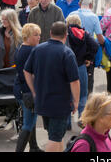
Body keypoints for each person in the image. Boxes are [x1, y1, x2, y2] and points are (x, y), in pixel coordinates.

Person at [24, 22, 80, 152]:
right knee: (55, 138)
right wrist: (76, 101)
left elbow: (26, 71)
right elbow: (74, 81)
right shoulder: (67, 53)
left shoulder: (38, 49)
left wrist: (33, 91)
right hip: (60, 104)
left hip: (42, 101)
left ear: (50, 33)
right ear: (66, 35)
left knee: (55, 136)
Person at [14, 23, 43, 152]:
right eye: (36, 35)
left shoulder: (22, 48)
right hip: (28, 91)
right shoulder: (32, 51)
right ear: (27, 36)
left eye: (39, 35)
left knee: (31, 119)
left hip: (21, 89)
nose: (39, 38)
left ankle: (34, 147)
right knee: (28, 123)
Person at [65, 14, 99, 123]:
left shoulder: (66, 34)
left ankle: (67, 123)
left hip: (67, 67)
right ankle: (82, 119)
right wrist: (88, 57)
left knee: (68, 94)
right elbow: (95, 45)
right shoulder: (84, 34)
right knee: (83, 94)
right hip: (80, 66)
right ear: (79, 23)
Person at [69, 0, 105, 94]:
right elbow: (99, 39)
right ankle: (87, 102)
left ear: (79, 4)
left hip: (71, 52)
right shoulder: (94, 17)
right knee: (88, 80)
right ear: (91, 5)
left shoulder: (72, 14)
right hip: (87, 53)